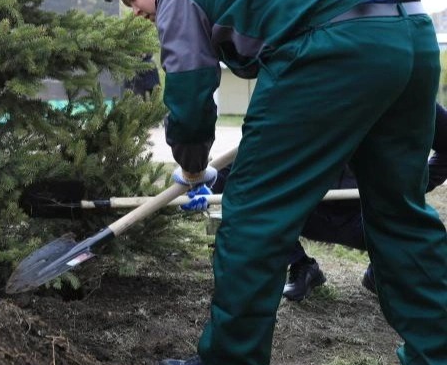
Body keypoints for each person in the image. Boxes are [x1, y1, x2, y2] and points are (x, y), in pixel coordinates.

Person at [105, 0, 447, 365]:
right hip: (409, 35)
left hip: (333, 44)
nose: (138, 11)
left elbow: (189, 86)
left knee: (254, 212)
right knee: (399, 210)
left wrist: (192, 164)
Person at [189, 101, 447, 302]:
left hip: (369, 213)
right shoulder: (310, 87)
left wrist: (413, 187)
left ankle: (384, 270)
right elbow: (252, 157)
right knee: (257, 204)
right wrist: (208, 187)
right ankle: (300, 264)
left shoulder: (400, 84)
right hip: (306, 210)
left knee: (425, 239)